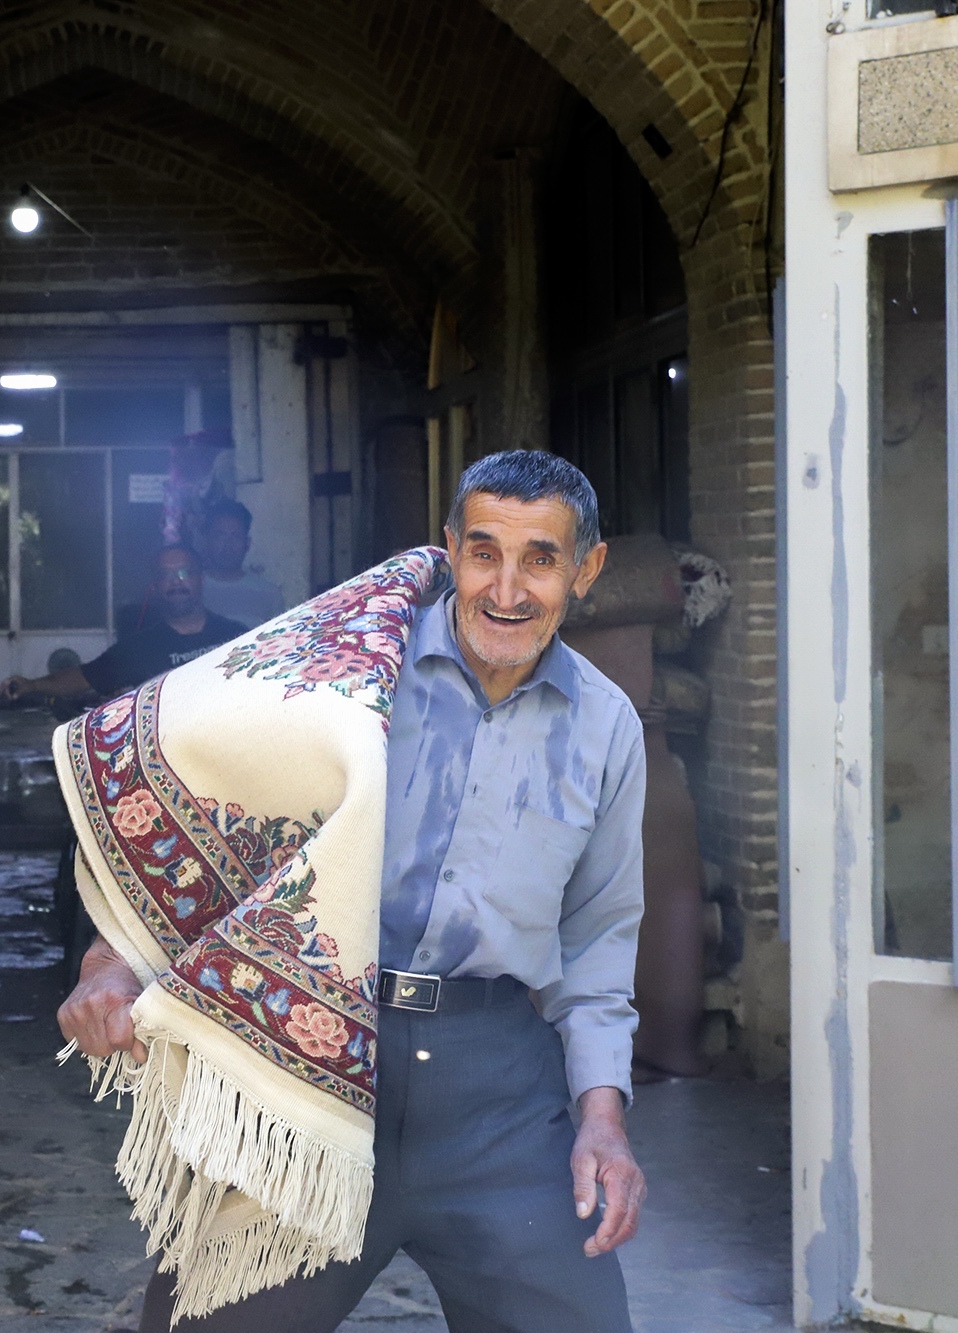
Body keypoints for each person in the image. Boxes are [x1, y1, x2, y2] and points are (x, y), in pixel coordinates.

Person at [60, 450, 648, 1333]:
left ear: (586, 568)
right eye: (484, 552)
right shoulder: (347, 673)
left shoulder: (606, 727)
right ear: (450, 547)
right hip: (312, 1060)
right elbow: (195, 802)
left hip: (498, 1095)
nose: (506, 590)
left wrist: (603, 1118)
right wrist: (111, 961)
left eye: (541, 559)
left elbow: (598, 944)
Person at [1, 545, 247, 701]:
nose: (175, 582)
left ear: (201, 579)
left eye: (184, 573)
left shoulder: (237, 637)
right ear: (156, 586)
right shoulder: (139, 648)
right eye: (166, 575)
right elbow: (84, 677)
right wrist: (32, 685)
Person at [195, 499, 287, 627]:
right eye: (220, 536)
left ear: (247, 543)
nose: (227, 545)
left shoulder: (269, 594)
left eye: (235, 536)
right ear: (207, 541)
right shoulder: (192, 590)